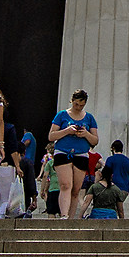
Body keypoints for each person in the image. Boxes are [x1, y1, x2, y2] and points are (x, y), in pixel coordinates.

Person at [50, 90, 99, 221]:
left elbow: (95, 140)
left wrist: (85, 134)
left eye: (81, 105)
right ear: (72, 101)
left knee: (76, 190)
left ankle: (71, 218)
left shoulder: (89, 118)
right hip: (63, 152)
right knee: (65, 185)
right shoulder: (62, 115)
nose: (78, 107)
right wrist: (67, 131)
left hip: (81, 154)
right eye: (76, 104)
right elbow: (51, 136)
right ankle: (64, 215)